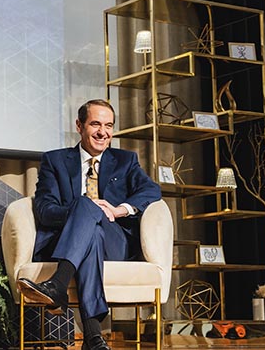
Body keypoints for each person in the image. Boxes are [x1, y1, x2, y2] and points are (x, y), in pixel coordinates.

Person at [17, 99, 161, 350]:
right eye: (95, 124)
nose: (102, 132)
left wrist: (118, 210)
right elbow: (44, 210)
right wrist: (81, 212)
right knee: (89, 221)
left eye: (108, 126)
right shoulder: (55, 161)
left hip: (115, 242)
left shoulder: (126, 161)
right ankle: (94, 337)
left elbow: (152, 190)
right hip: (69, 240)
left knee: (91, 213)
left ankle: (58, 285)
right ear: (79, 126)